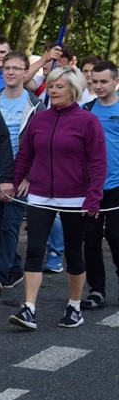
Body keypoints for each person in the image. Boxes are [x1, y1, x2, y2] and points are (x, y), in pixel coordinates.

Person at [9, 65, 106, 331]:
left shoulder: (88, 121)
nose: (52, 90)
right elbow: (25, 155)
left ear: (73, 89)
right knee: (34, 251)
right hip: (40, 194)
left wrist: (93, 198)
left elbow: (98, 162)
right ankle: (29, 308)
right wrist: (14, 183)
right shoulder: (39, 119)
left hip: (75, 198)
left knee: (74, 253)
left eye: (59, 86)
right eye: (51, 85)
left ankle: (74, 307)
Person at [0, 51, 45, 295]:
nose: (10, 72)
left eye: (16, 68)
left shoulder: (35, 105)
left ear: (24, 73)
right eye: (7, 68)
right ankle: (15, 267)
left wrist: (29, 177)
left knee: (10, 225)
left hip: (20, 175)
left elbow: (40, 146)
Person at [83, 60, 119, 309]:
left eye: (104, 81)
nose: (98, 86)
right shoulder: (86, 110)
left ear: (116, 81)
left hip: (117, 185)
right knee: (91, 239)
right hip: (91, 187)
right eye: (95, 81)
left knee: (116, 237)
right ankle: (97, 291)